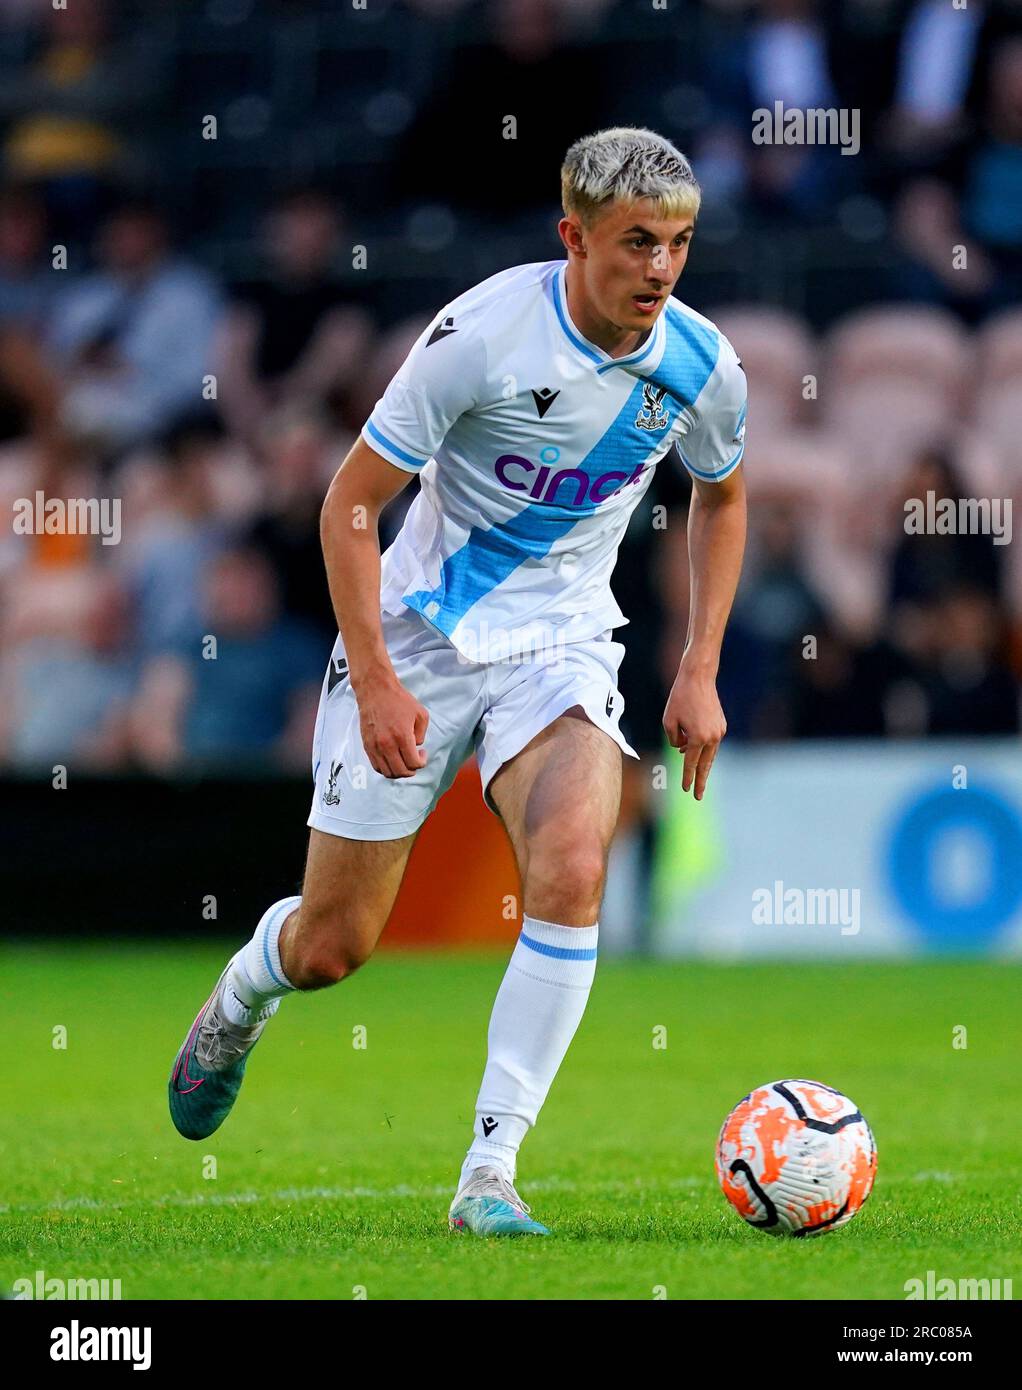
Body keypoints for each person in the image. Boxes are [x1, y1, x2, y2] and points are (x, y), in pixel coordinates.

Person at [167, 128, 748, 1237]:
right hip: (419, 637)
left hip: (563, 643)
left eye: (678, 243)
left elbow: (722, 497)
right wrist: (378, 681)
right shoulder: (479, 338)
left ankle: (490, 1172)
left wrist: (700, 663)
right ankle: (243, 994)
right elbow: (348, 504)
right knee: (333, 946)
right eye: (637, 242)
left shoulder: (700, 362)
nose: (661, 268)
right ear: (573, 236)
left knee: (573, 865)